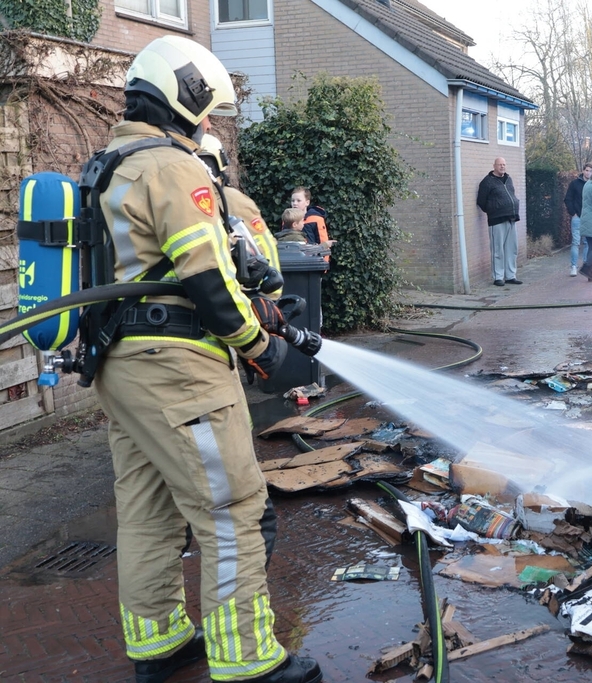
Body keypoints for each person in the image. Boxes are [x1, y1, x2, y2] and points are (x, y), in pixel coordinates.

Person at [90, 36, 322, 683]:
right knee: (231, 507)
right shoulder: (172, 167)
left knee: (147, 508)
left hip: (121, 365)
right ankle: (247, 659)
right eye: (205, 111)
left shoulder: (108, 166)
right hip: (179, 371)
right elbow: (209, 280)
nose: (206, 125)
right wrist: (261, 347)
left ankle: (158, 641)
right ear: (183, 99)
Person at [198, 132, 283, 300]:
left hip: (242, 295)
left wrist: (270, 296)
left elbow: (264, 244)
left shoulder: (233, 200)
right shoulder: (188, 201)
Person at [476, 157, 522, 286]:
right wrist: (493, 209)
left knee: (511, 249)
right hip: (496, 220)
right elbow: (481, 201)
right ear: (494, 166)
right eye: (500, 164)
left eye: (504, 164)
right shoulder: (487, 182)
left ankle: (510, 276)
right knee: (498, 250)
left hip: (511, 218)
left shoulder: (508, 179)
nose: (502, 166)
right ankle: (498, 277)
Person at [563, 163, 592, 277]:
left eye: (590, 171)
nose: (588, 173)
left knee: (587, 242)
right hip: (577, 217)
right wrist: (573, 213)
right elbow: (568, 199)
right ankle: (573, 266)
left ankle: (585, 266)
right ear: (583, 171)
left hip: (589, 218)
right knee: (575, 242)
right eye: (587, 170)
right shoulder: (574, 184)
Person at [289, 187, 335, 258]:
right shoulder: (288, 218)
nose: (295, 203)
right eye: (293, 200)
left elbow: (324, 244)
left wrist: (323, 264)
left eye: (298, 201)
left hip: (313, 261)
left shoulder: (316, 219)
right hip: (292, 261)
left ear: (307, 202)